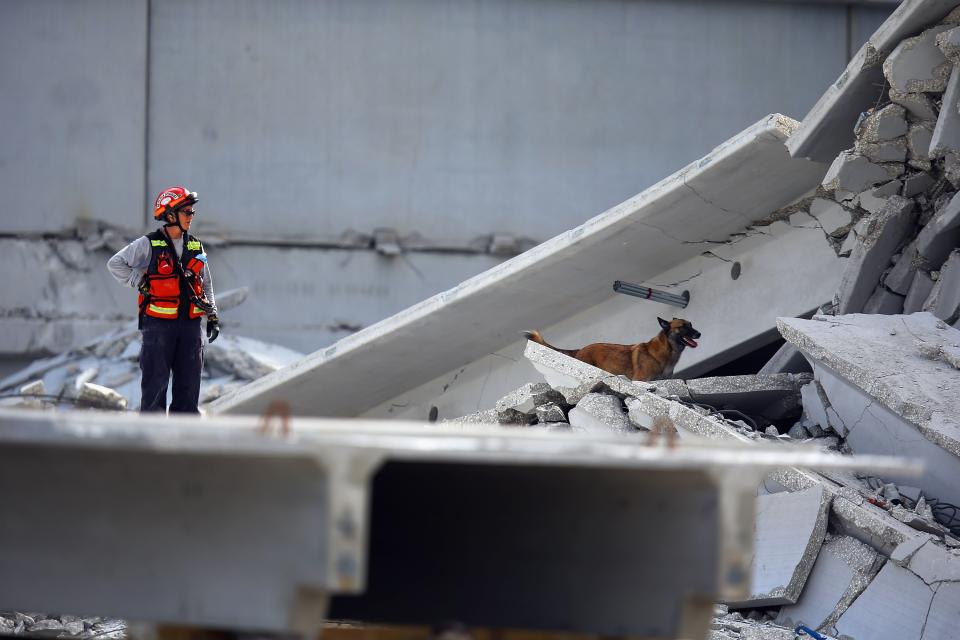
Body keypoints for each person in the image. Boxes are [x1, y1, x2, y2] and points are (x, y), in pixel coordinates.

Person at [107, 186, 220, 413]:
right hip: (158, 328)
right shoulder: (148, 244)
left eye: (192, 212)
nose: (191, 216)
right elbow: (115, 264)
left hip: (190, 329)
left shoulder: (195, 245)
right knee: (154, 389)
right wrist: (138, 281)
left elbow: (205, 282)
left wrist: (212, 314)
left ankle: (184, 442)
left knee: (188, 391)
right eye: (186, 212)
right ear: (170, 215)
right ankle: (152, 442)